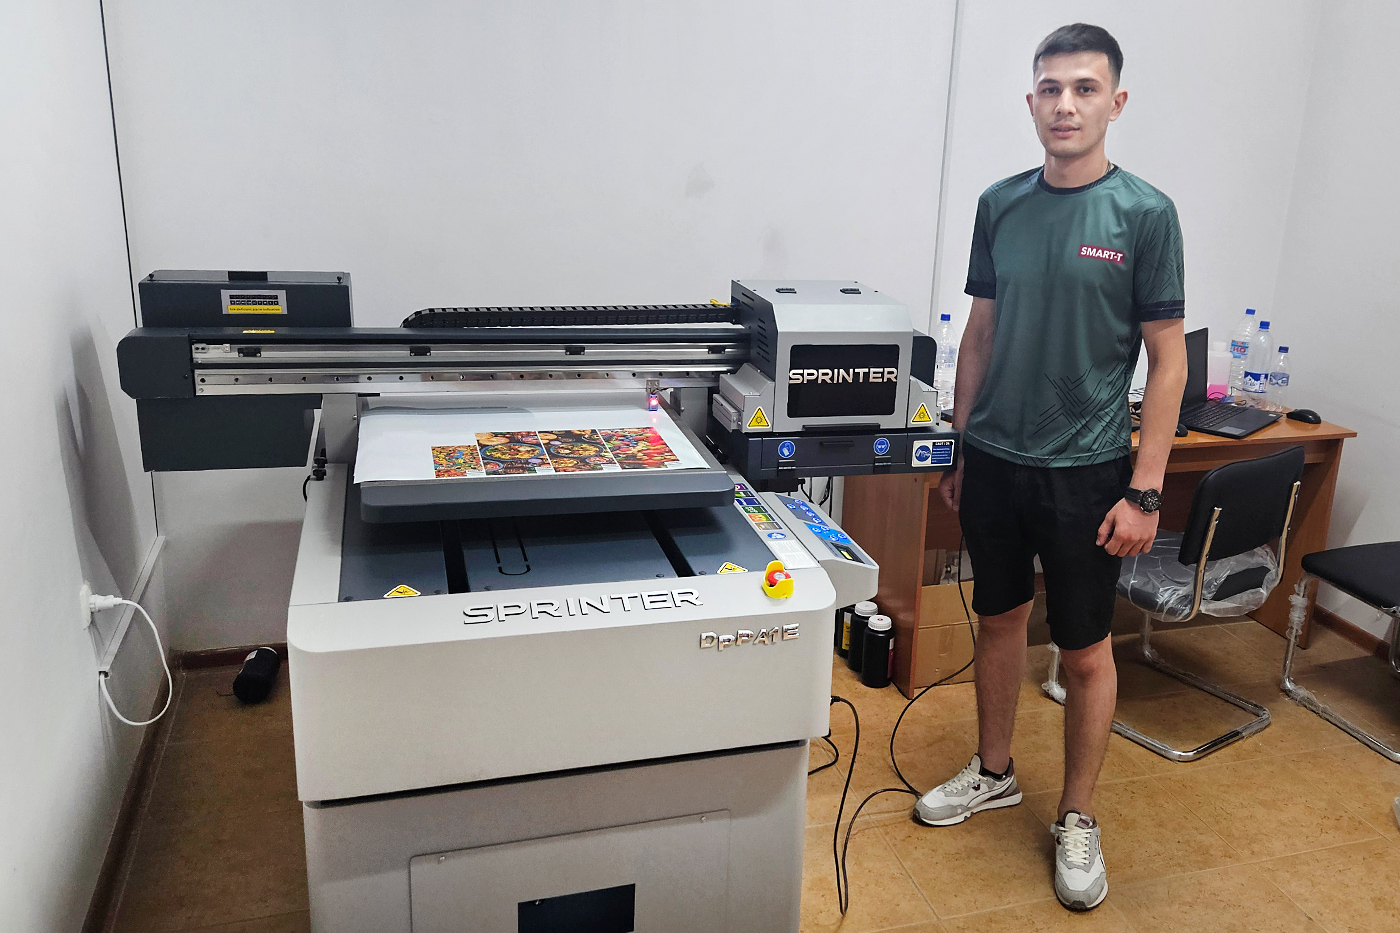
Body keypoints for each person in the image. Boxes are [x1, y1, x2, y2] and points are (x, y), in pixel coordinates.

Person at [913, 23, 1188, 912]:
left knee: (1085, 648)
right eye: (1050, 88)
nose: (1065, 105)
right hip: (995, 461)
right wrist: (960, 446)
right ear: (1031, 101)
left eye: (1084, 88)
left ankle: (1077, 815)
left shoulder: (1145, 214)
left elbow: (1169, 360)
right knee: (998, 620)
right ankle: (994, 771)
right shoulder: (1000, 204)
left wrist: (1146, 490)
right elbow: (979, 334)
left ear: (1115, 101)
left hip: (1088, 471)